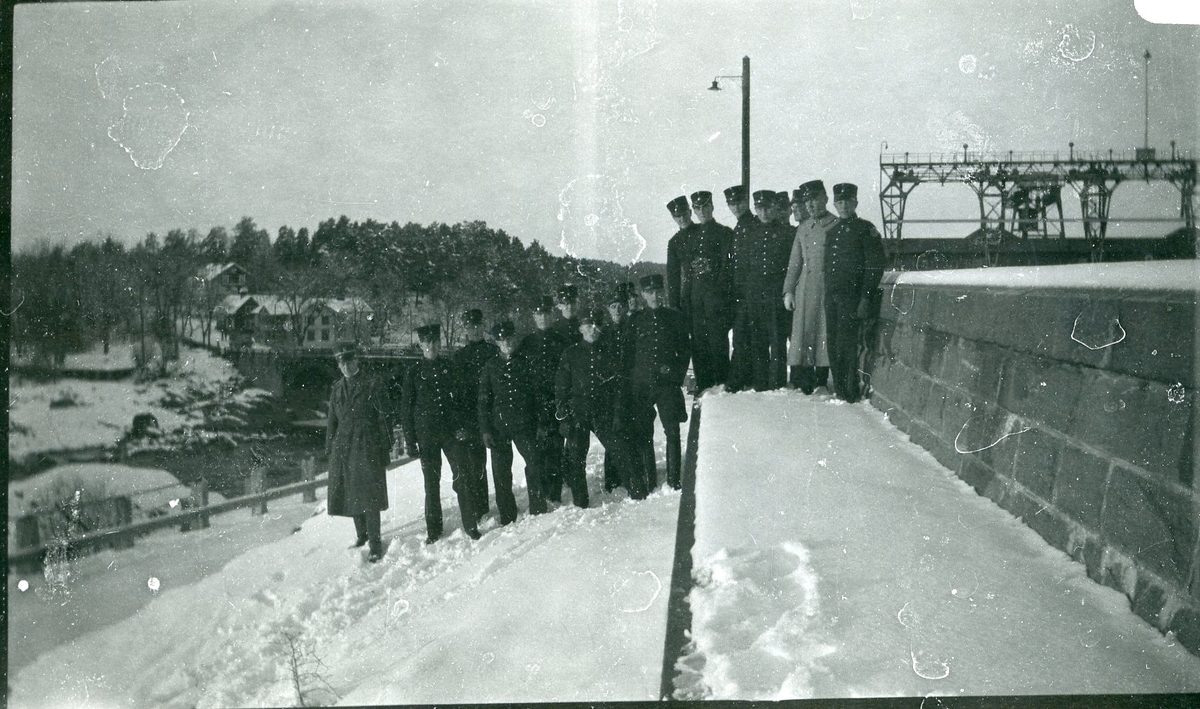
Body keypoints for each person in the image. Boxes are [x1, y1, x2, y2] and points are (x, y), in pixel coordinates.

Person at [556, 308, 647, 507]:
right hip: (578, 412)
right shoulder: (570, 354)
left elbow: (618, 386)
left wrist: (617, 414)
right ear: (581, 328)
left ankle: (637, 492)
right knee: (576, 458)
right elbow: (561, 389)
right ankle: (581, 502)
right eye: (588, 326)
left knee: (621, 449)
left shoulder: (609, 351)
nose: (593, 330)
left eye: (597, 325)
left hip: (603, 411)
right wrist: (564, 419)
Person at [401, 323, 481, 543]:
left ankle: (470, 525)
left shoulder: (450, 366)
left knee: (462, 476)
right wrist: (410, 441)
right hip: (426, 435)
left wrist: (463, 426)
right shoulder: (413, 372)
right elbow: (406, 408)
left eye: (435, 341)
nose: (432, 346)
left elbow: (463, 399)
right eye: (427, 342)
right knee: (431, 483)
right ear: (420, 344)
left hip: (451, 432)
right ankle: (433, 531)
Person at [326, 342, 392, 563]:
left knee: (370, 496)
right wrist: (330, 445)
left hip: (367, 444)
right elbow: (332, 420)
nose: (345, 366)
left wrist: (386, 446)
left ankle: (375, 544)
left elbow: (384, 417)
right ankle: (362, 536)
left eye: (349, 361)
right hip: (344, 446)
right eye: (341, 363)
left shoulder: (372, 384)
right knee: (351, 491)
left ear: (357, 361)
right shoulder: (337, 388)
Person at [625, 274, 690, 490]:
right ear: (643, 295)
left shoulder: (674, 317)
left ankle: (674, 480)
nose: (655, 296)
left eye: (658, 292)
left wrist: (675, 375)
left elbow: (684, 350)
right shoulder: (635, 320)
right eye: (650, 292)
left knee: (672, 431)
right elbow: (628, 354)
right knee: (644, 433)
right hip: (641, 385)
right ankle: (649, 480)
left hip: (666, 384)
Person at [824, 182, 886, 403]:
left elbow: (874, 265)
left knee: (847, 344)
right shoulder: (832, 232)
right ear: (834, 204)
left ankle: (849, 391)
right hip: (832, 297)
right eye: (839, 202)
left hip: (852, 297)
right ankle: (839, 389)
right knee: (833, 343)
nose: (843, 206)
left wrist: (865, 297)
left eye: (848, 202)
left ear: (855, 203)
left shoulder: (865, 229)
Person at [730, 190, 793, 391]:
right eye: (760, 208)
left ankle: (777, 383)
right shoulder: (750, 232)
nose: (764, 212)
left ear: (776, 207)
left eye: (768, 208)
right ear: (755, 209)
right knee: (757, 340)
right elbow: (742, 266)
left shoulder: (787, 233)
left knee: (777, 341)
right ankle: (760, 382)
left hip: (776, 295)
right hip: (754, 295)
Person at [477, 320, 540, 519]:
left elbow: (536, 395)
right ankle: (507, 513)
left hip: (524, 424)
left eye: (510, 339)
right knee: (501, 473)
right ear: (497, 342)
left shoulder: (525, 362)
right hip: (499, 427)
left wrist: (539, 422)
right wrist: (486, 429)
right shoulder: (491, 366)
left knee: (534, 463)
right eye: (502, 340)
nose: (507, 343)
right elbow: (484, 400)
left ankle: (538, 506)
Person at [515, 295, 572, 504]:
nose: (543, 317)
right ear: (533, 316)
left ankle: (554, 495)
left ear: (552, 314)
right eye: (539, 313)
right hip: (534, 407)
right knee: (536, 455)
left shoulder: (562, 342)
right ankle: (538, 499)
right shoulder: (527, 344)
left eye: (546, 313)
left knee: (555, 451)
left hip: (556, 404)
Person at [783, 180, 837, 394]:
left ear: (825, 199)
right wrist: (788, 290)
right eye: (807, 201)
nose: (812, 205)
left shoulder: (835, 224)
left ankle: (821, 380)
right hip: (804, 289)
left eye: (815, 199)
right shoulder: (804, 228)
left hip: (825, 288)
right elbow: (795, 262)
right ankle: (803, 380)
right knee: (803, 333)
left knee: (822, 333)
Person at [676, 191, 733, 391]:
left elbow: (727, 267)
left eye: (706, 207)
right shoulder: (690, 236)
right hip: (695, 299)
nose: (702, 212)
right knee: (699, 343)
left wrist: (719, 292)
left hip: (716, 298)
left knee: (718, 341)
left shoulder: (724, 232)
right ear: (693, 210)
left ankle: (722, 380)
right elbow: (687, 270)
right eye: (698, 208)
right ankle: (704, 381)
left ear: (712, 207)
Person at [452, 308, 499, 521]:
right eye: (471, 327)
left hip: (494, 412)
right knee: (476, 462)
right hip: (471, 415)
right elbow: (458, 393)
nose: (476, 331)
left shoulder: (492, 351)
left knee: (498, 460)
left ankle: (502, 502)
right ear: (466, 330)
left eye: (479, 326)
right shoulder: (460, 357)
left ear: (483, 326)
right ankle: (480, 507)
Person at [602, 284, 635, 493]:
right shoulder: (604, 333)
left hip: (631, 385)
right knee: (613, 434)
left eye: (620, 306)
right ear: (608, 309)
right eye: (613, 306)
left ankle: (631, 476)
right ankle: (612, 479)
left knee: (632, 431)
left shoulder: (633, 328)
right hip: (610, 389)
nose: (617, 310)